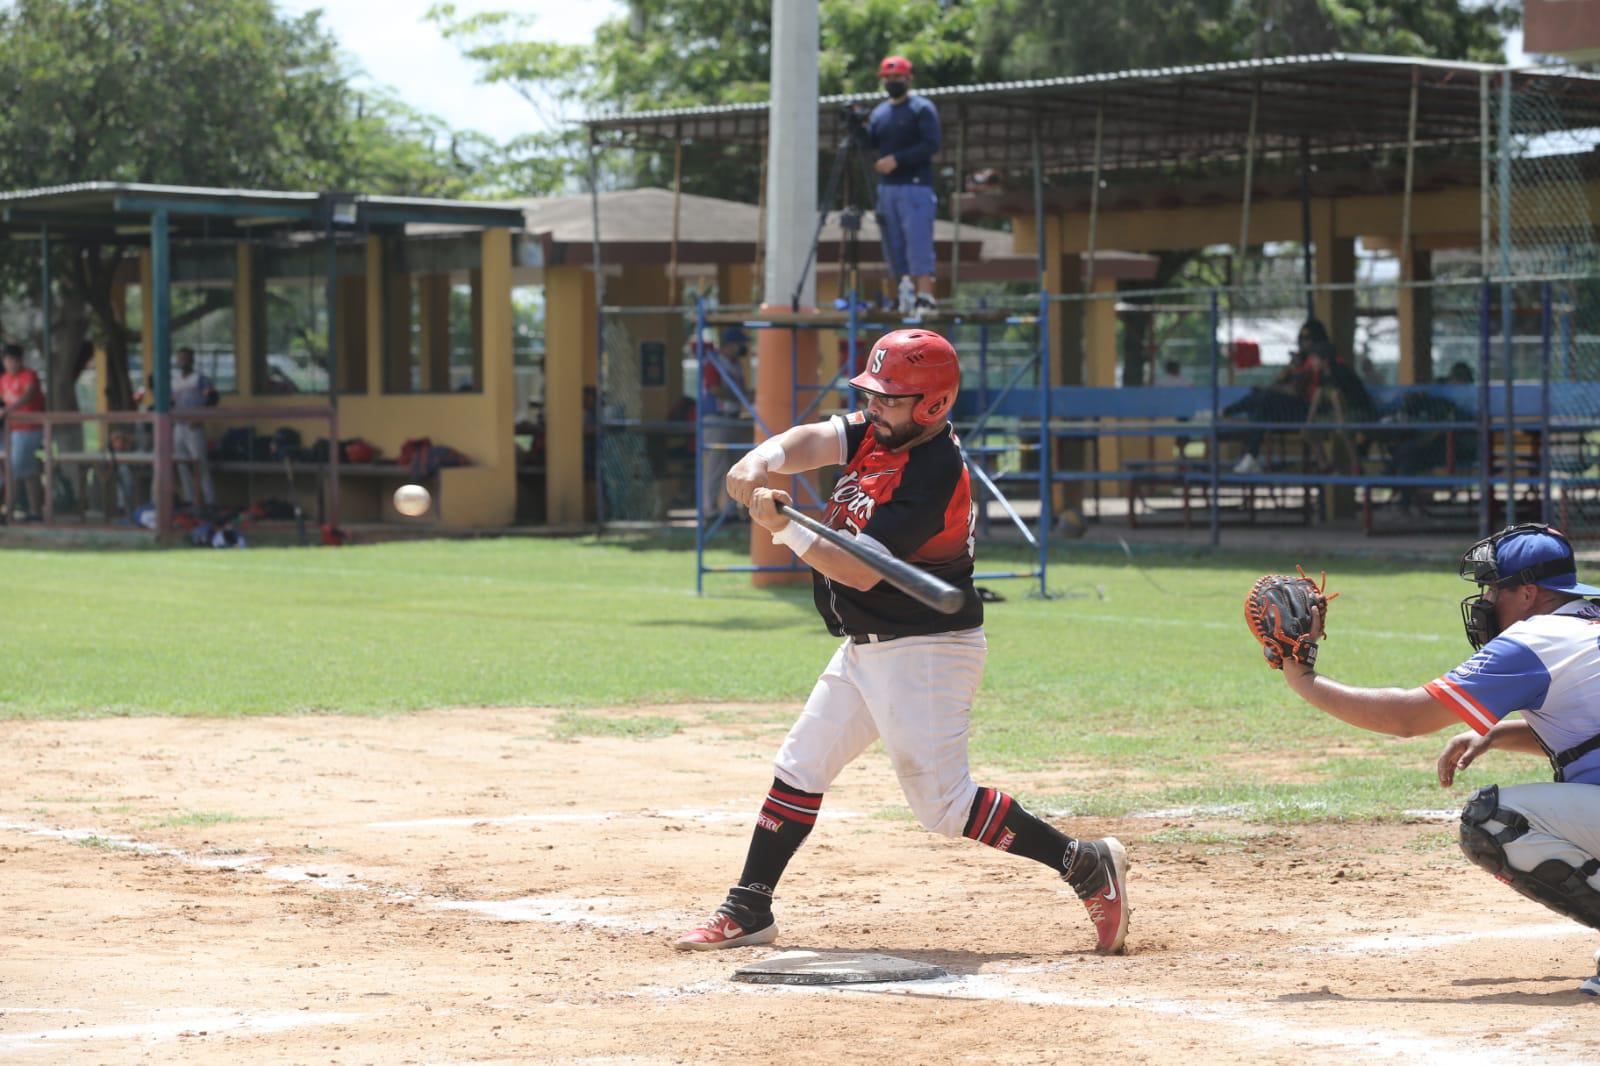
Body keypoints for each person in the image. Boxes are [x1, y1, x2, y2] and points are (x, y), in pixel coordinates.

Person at [673, 328, 1129, 955]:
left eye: (889, 399)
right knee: (801, 763)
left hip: (926, 649)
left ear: (933, 406)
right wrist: (762, 460)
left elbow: (859, 568)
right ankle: (750, 906)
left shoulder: (935, 470)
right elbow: (817, 439)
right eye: (875, 395)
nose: (875, 408)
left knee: (943, 807)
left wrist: (785, 530)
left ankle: (1083, 862)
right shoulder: (883, 427)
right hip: (867, 646)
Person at [1276, 524, 1600, 995]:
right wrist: (1497, 735)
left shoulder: (1539, 638)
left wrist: (1301, 676)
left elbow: (1408, 717)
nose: (1487, 601)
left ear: (1528, 593)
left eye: (1494, 587)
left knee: (1491, 821)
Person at [867, 56, 941, 316]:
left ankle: (925, 296)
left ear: (908, 79)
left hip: (915, 186)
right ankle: (903, 294)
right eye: (888, 79)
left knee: (917, 240)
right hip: (887, 189)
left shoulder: (921, 108)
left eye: (897, 78)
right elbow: (869, 143)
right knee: (893, 243)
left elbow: (931, 145)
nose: (892, 83)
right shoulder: (879, 113)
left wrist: (898, 160)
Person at [0, 342, 45, 520]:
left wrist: (8, 410)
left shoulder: (29, 375)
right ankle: (35, 511)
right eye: (7, 360)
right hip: (13, 431)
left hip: (30, 429)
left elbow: (27, 396)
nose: (10, 363)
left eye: (13, 360)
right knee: (29, 471)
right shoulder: (4, 379)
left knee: (15, 468)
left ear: (20, 360)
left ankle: (8, 511)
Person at [171, 346, 218, 509]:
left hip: (194, 426)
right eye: (180, 358)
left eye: (185, 358)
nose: (182, 361)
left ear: (192, 360)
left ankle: (210, 501)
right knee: (182, 463)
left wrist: (201, 417)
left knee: (200, 463)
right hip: (178, 426)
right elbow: (170, 402)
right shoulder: (175, 381)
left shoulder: (200, 379)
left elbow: (213, 399)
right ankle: (190, 500)